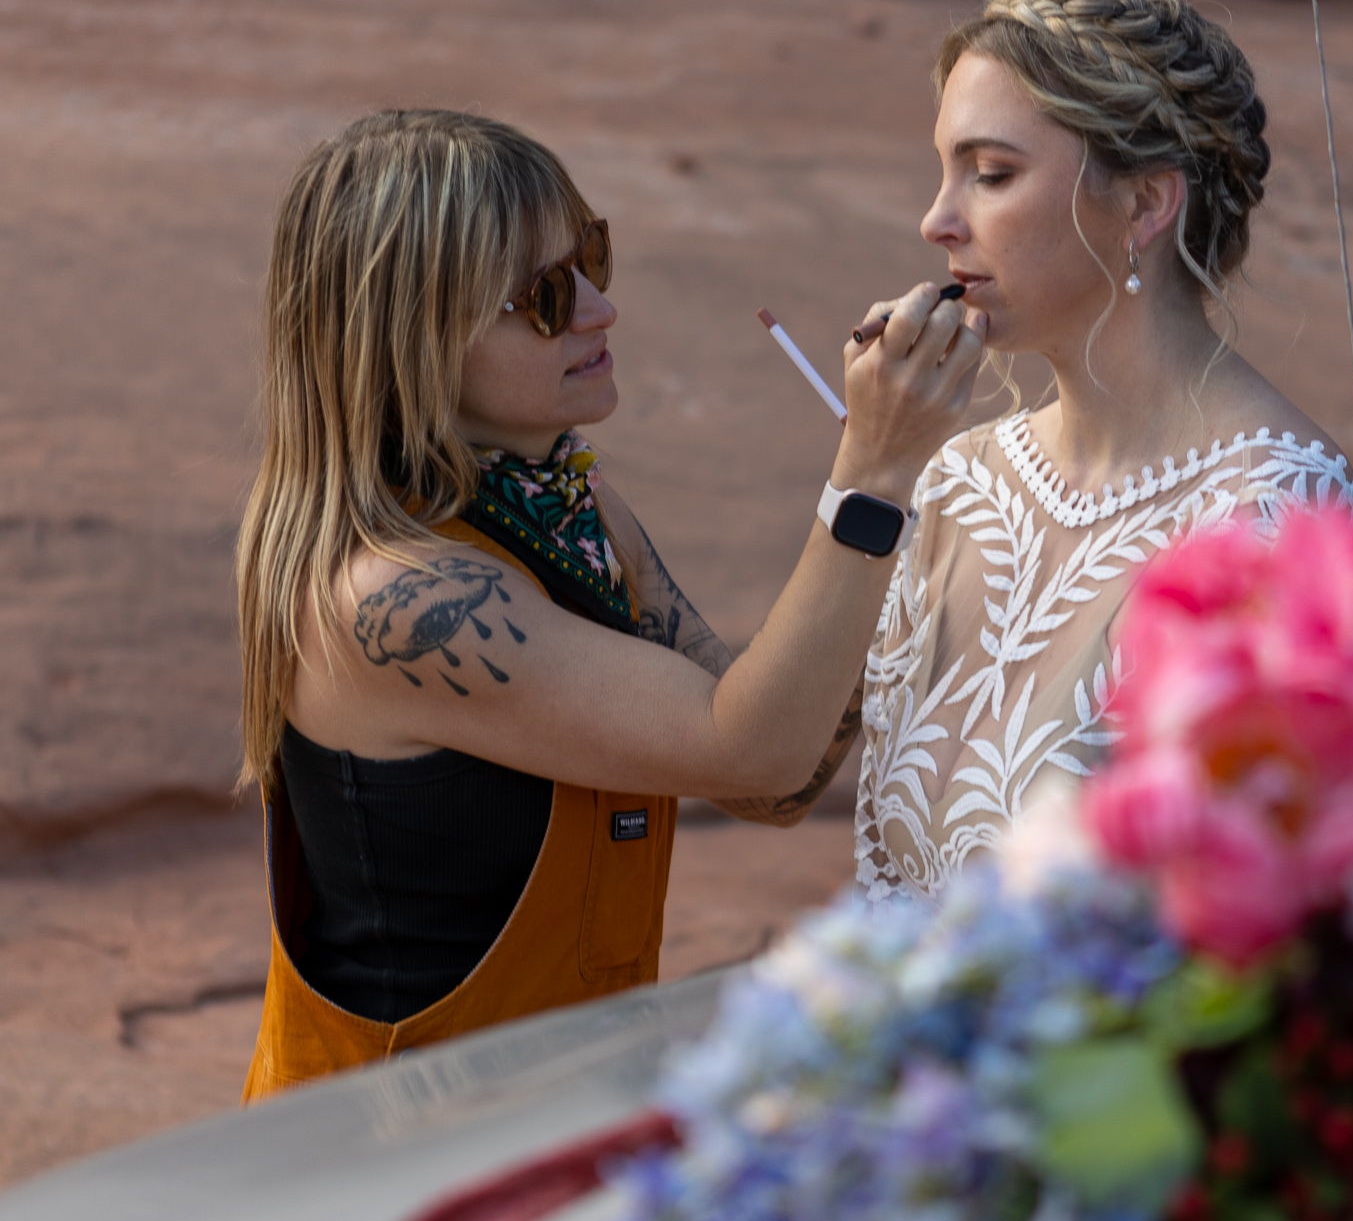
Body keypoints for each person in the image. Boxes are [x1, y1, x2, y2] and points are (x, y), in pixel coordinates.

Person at [236, 109, 984, 1096]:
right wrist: (872, 475)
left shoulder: (569, 512)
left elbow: (776, 784)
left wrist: (902, 533)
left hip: (539, 1121)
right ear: (409, 338)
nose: (598, 308)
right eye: (544, 296)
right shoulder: (397, 599)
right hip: (381, 1166)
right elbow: (747, 745)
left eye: (592, 257)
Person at [855, 0, 1353, 902]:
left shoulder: (1278, 519)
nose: (937, 220)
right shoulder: (957, 480)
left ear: (1143, 206)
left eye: (991, 174)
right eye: (944, 170)